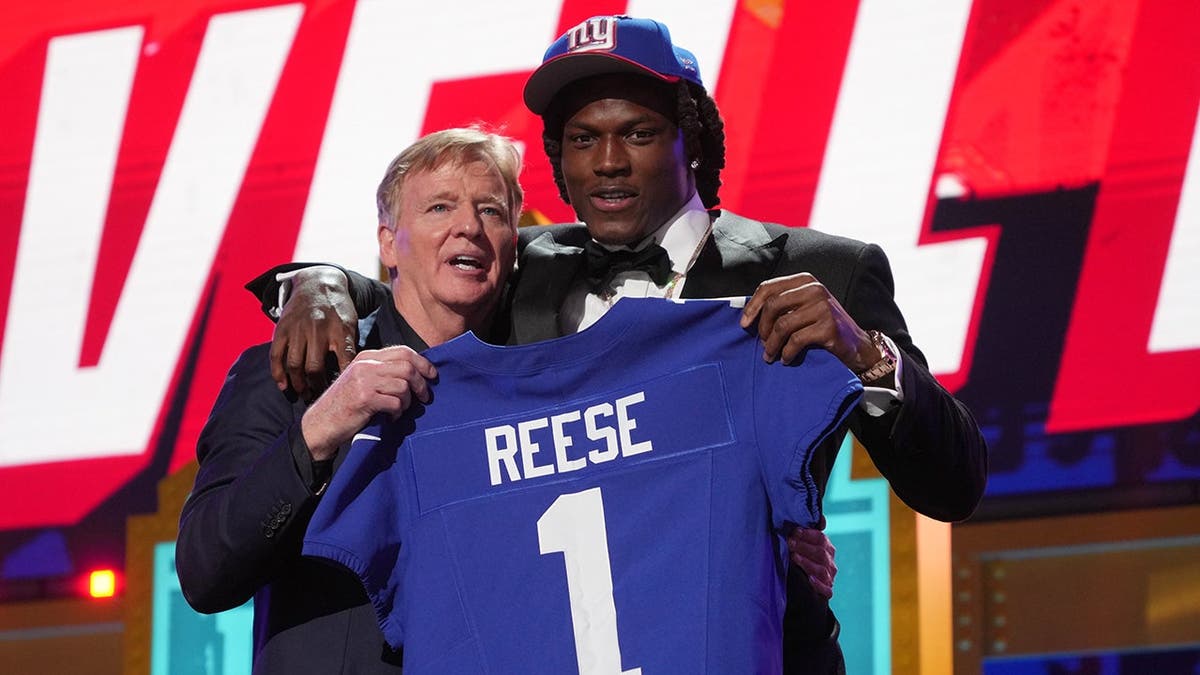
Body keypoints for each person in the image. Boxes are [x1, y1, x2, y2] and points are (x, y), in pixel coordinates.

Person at [253, 16, 987, 673]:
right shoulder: (526, 268)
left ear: (692, 142)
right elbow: (421, 283)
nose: (607, 161)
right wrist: (319, 283)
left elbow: (953, 485)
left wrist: (867, 356)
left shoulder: (823, 272)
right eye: (582, 139)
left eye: (637, 133)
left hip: (755, 646)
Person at [175, 127, 524, 673]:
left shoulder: (531, 377)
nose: (469, 227)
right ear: (388, 242)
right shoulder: (296, 371)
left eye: (491, 211)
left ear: (513, 242)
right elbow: (205, 573)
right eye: (439, 207)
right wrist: (319, 430)